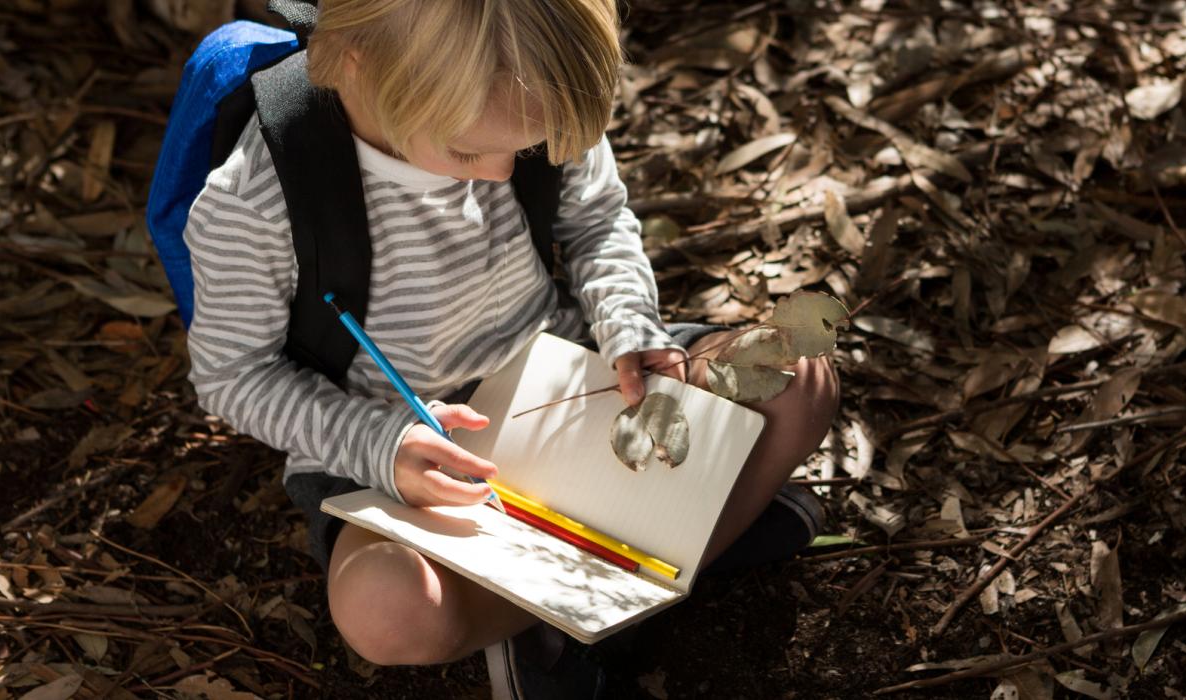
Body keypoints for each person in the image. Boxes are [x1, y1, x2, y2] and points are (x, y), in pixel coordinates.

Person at [182, 0, 838, 695]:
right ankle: (674, 555)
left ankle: (577, 611)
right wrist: (384, 447)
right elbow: (234, 376)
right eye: (468, 153)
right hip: (405, 454)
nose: (500, 175)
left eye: (525, 151)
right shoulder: (256, 199)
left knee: (796, 379)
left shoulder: (527, 81)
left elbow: (597, 222)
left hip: (568, 385)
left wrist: (628, 324)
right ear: (356, 64)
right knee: (386, 614)